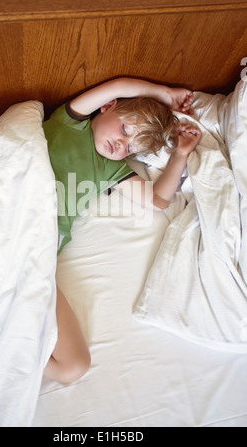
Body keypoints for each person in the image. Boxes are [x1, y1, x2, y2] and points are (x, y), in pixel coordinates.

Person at [42, 77, 201, 384]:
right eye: (125, 130)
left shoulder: (110, 168)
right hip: (14, 223)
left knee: (73, 366)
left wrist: (180, 155)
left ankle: (0, 350)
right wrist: (166, 95)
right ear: (107, 107)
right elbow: (118, 87)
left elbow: (157, 200)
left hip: (40, 256)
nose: (121, 145)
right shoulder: (70, 122)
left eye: (130, 148)